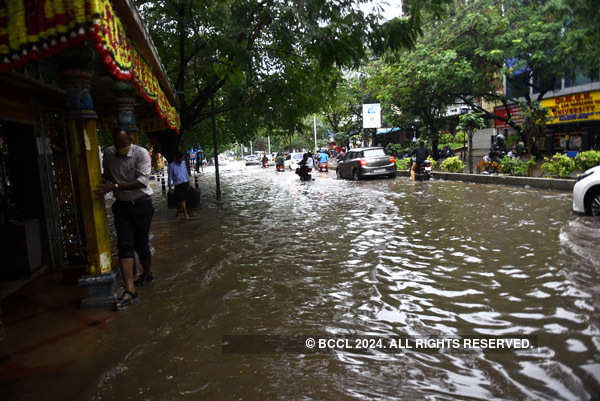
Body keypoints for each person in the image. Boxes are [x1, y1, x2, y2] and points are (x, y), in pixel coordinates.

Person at [96, 129, 154, 310]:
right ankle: (130, 289)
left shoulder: (141, 153)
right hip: (121, 206)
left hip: (142, 204)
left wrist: (115, 186)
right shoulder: (108, 153)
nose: (121, 148)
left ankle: (146, 273)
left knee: (141, 244)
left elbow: (142, 181)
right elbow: (107, 174)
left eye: (124, 144)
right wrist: (105, 183)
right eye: (118, 144)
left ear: (130, 140)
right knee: (125, 245)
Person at [168, 151, 192, 220]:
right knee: (182, 199)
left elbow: (186, 173)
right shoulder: (171, 165)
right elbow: (170, 176)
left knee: (184, 199)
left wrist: (189, 181)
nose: (181, 160)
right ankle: (185, 213)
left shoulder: (183, 163)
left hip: (186, 183)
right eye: (180, 159)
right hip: (178, 185)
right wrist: (170, 187)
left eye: (182, 159)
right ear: (176, 158)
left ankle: (179, 210)